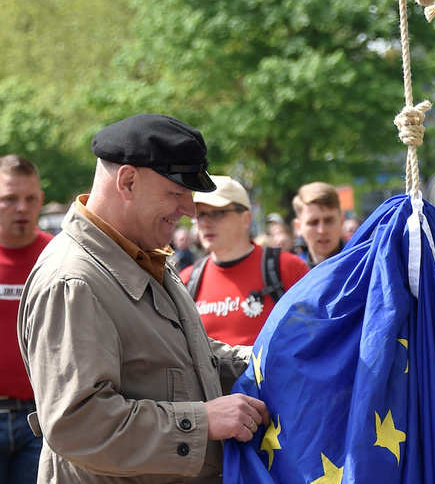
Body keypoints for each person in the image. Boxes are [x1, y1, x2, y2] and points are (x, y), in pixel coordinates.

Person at [18, 114, 269, 483]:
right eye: (177, 193)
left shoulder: (142, 255)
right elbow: (77, 424)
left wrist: (275, 357)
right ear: (128, 181)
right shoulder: (74, 279)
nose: (189, 211)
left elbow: (190, 359)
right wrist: (202, 422)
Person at [181, 176, 308, 346]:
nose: (205, 223)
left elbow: (312, 338)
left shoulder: (288, 268)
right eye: (200, 215)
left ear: (246, 219)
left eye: (218, 213)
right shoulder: (187, 280)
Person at [0, 155, 52, 484]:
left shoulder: (61, 256)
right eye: (9, 199)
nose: (21, 207)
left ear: (41, 201)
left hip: (42, 417)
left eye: (30, 198)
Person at [292, 181, 344, 268]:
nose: (322, 230)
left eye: (329, 221)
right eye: (313, 223)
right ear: (298, 227)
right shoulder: (292, 274)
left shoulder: (363, 266)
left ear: (342, 220)